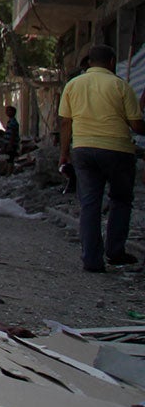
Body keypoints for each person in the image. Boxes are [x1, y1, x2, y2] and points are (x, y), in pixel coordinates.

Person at [58, 44, 145, 272]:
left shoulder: (72, 85)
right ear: (112, 62)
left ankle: (91, 260)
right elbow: (136, 125)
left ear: (88, 62)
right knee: (120, 200)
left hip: (84, 149)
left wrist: (64, 154)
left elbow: (66, 122)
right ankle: (115, 252)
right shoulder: (121, 86)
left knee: (89, 204)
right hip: (118, 150)